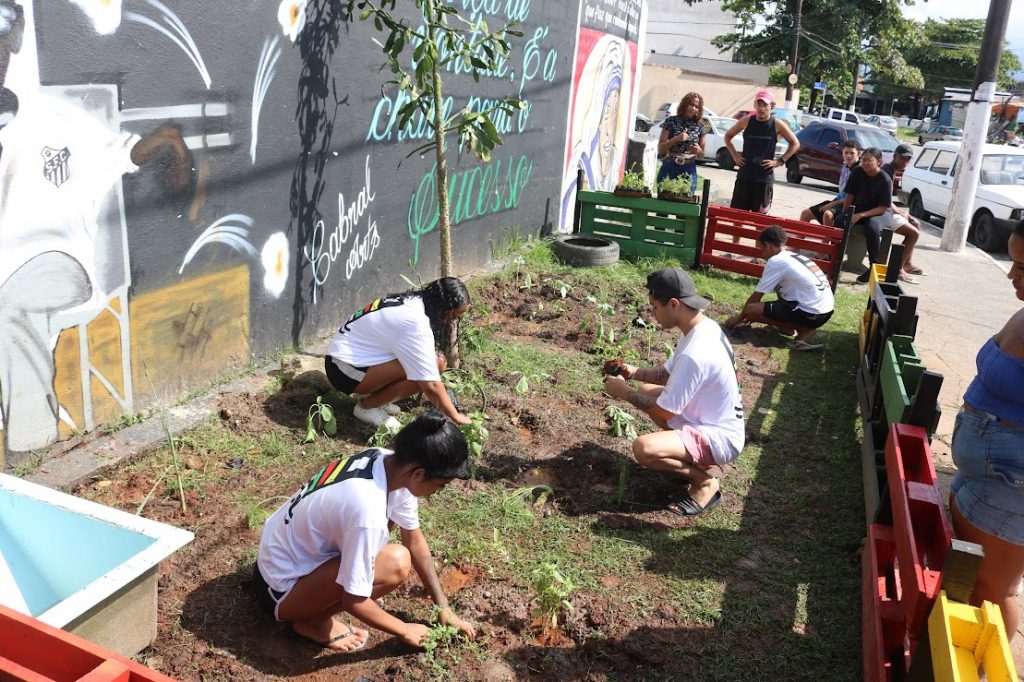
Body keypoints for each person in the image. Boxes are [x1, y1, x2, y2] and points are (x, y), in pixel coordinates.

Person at [0, 0, 194, 455]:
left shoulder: (53, 119)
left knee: (8, 306)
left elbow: (124, 153)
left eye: (3, 44)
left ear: (15, 44)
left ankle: (31, 444)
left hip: (53, 262)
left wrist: (171, 143)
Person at [254, 411, 477, 652]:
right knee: (395, 565)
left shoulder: (386, 462)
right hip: (279, 590)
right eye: (441, 485)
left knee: (395, 553)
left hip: (278, 560)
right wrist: (405, 629)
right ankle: (313, 622)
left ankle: (316, 605)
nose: (439, 491)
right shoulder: (366, 511)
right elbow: (354, 601)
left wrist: (443, 606)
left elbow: (414, 541)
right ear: (419, 474)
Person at [602, 268, 745, 517]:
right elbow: (665, 374)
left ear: (675, 304)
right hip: (712, 418)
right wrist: (631, 372)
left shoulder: (696, 352)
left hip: (720, 437)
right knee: (648, 389)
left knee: (644, 448)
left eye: (655, 307)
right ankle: (687, 459)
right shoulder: (702, 327)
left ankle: (704, 483)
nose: (653, 314)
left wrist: (624, 393)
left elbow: (664, 412)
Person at [947, 220, 1024, 641]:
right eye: (1013, 262)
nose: (1012, 274)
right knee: (969, 582)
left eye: (1023, 267)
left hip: (1012, 485)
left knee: (992, 591)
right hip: (985, 475)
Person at [325, 277, 472, 429]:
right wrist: (456, 416)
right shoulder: (415, 322)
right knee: (427, 370)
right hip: (343, 370)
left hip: (345, 359)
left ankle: (375, 397)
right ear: (443, 308)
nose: (452, 322)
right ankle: (367, 407)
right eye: (454, 316)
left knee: (437, 361)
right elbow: (431, 384)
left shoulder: (414, 301)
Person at [723, 226, 834, 351]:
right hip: (825, 311)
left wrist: (738, 319)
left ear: (768, 245)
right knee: (764, 303)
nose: (762, 254)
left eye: (762, 248)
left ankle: (805, 329)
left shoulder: (776, 261)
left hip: (812, 313)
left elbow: (756, 297)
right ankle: (789, 327)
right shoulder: (795, 256)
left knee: (751, 310)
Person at [724, 89, 800, 215]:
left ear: (772, 106)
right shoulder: (746, 121)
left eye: (764, 104)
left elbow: (795, 143)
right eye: (758, 104)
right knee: (737, 216)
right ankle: (736, 236)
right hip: (745, 175)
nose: (761, 108)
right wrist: (735, 156)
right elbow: (728, 136)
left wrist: (779, 161)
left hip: (764, 178)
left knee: (760, 218)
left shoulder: (777, 124)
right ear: (755, 105)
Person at [839, 147, 892, 283]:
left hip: (880, 213)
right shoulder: (857, 172)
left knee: (872, 227)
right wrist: (845, 213)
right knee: (839, 220)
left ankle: (873, 267)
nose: (866, 163)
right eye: (863, 160)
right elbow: (850, 194)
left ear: (879, 162)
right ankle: (834, 258)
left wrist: (860, 216)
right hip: (860, 209)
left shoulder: (885, 179)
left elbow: (883, 207)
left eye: (870, 160)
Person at [881, 144, 925, 282]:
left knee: (916, 224)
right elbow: (886, 202)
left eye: (908, 159)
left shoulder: (892, 170)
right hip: (882, 213)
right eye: (903, 158)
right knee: (913, 233)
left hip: (888, 210)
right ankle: (897, 269)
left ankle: (907, 264)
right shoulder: (886, 171)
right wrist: (901, 213)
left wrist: (902, 213)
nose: (905, 162)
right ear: (895, 156)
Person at [799, 139, 860, 226]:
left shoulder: (859, 171)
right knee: (805, 213)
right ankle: (799, 240)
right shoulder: (845, 166)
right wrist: (832, 202)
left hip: (850, 204)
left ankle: (828, 239)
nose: (848, 156)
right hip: (839, 200)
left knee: (828, 214)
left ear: (858, 153)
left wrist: (833, 203)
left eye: (852, 153)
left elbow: (854, 197)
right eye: (846, 152)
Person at [656, 91, 705, 192]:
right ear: (684, 104)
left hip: (689, 168)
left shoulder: (700, 126)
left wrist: (698, 151)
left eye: (696, 107)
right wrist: (676, 139)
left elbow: (702, 155)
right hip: (670, 165)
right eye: (691, 105)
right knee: (665, 199)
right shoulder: (671, 121)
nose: (693, 108)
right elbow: (660, 149)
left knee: (686, 202)